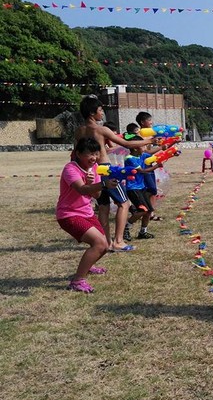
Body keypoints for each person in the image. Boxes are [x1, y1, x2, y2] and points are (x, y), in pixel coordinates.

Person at [75, 96, 152, 252]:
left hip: (92, 171)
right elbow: (127, 144)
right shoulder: (101, 129)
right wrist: (148, 141)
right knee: (124, 204)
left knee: (103, 206)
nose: (102, 113)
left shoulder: (79, 131)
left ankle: (107, 242)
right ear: (92, 113)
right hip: (106, 170)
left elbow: (76, 153)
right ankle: (118, 241)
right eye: (100, 110)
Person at [56, 137, 113, 293]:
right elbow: (81, 189)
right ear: (78, 154)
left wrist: (93, 183)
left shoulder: (95, 168)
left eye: (96, 153)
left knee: (105, 246)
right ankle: (77, 281)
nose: (93, 157)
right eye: (89, 154)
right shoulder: (70, 169)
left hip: (86, 213)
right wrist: (102, 184)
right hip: (69, 214)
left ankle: (88, 266)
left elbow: (96, 195)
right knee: (99, 244)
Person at [123, 136, 159, 239]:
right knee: (142, 210)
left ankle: (143, 232)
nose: (145, 148)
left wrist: (169, 151)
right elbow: (142, 171)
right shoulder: (129, 159)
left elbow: (155, 156)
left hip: (141, 187)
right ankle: (125, 229)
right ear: (135, 148)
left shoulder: (142, 155)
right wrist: (157, 166)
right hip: (133, 189)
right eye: (143, 146)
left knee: (148, 210)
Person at [135, 112, 163, 222]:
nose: (151, 122)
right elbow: (146, 152)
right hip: (143, 164)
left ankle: (150, 213)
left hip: (149, 162)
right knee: (150, 189)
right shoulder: (140, 135)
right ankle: (144, 210)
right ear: (142, 122)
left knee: (152, 190)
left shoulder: (150, 134)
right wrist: (161, 148)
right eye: (149, 120)